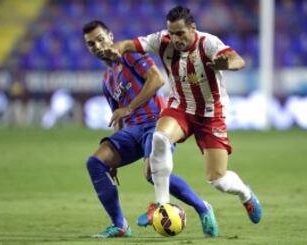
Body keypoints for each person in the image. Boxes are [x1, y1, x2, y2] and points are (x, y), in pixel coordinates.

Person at [101, 5, 263, 235]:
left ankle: (246, 195)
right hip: (180, 108)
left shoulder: (208, 43)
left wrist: (226, 64)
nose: (175, 39)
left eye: (180, 33)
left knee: (218, 180)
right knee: (159, 138)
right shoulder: (163, 40)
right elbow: (129, 44)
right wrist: (116, 48)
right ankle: (162, 205)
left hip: (210, 115)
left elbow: (237, 59)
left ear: (192, 28)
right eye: (172, 33)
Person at [82, 20, 219, 238]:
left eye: (100, 40)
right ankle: (120, 226)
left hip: (159, 123)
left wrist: (129, 108)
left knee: (151, 174)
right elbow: (118, 115)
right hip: (132, 130)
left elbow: (157, 79)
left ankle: (203, 208)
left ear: (110, 36)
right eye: (91, 44)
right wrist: (114, 158)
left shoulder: (130, 55)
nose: (97, 47)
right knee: (96, 163)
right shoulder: (107, 79)